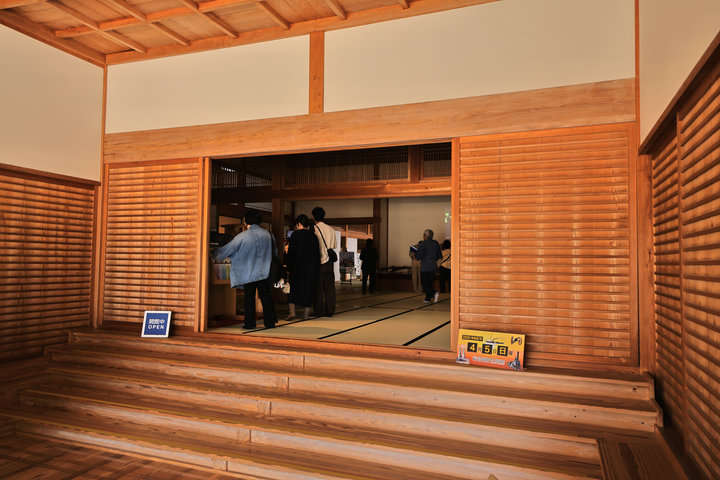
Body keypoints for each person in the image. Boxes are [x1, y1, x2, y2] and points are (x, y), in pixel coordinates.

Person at [212, 209, 277, 329]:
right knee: (266, 297)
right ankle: (270, 323)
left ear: (245, 221)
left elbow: (229, 249)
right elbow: (274, 252)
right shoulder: (268, 234)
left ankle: (249, 324)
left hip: (248, 272)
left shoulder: (242, 236)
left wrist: (214, 252)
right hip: (265, 271)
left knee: (249, 298)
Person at [284, 214, 320, 320]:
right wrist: (316, 268)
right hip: (310, 268)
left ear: (299, 224)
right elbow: (317, 255)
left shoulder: (295, 235)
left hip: (297, 268)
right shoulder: (313, 236)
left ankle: (292, 313)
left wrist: (288, 267)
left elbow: (291, 253)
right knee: (308, 289)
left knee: (292, 289)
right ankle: (306, 314)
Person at [312, 206, 336, 317]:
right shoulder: (330, 229)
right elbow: (334, 245)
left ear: (313, 217)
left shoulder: (314, 229)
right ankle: (330, 310)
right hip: (329, 262)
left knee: (318, 288)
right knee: (329, 288)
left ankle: (318, 311)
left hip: (318, 262)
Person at [415, 229, 442, 303]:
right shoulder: (436, 243)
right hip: (433, 266)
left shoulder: (423, 244)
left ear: (425, 236)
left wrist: (415, 254)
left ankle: (434, 293)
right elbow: (439, 256)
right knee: (430, 283)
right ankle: (428, 298)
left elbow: (418, 256)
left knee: (424, 283)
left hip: (425, 266)